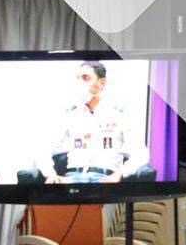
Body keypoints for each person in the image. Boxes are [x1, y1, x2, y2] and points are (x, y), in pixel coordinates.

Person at [18, 60, 157, 184]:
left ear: (102, 83)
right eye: (78, 78)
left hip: (104, 179)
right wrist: (50, 174)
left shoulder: (119, 114)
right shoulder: (70, 115)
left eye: (85, 78)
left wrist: (119, 174)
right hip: (72, 178)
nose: (80, 83)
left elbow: (141, 154)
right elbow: (43, 149)